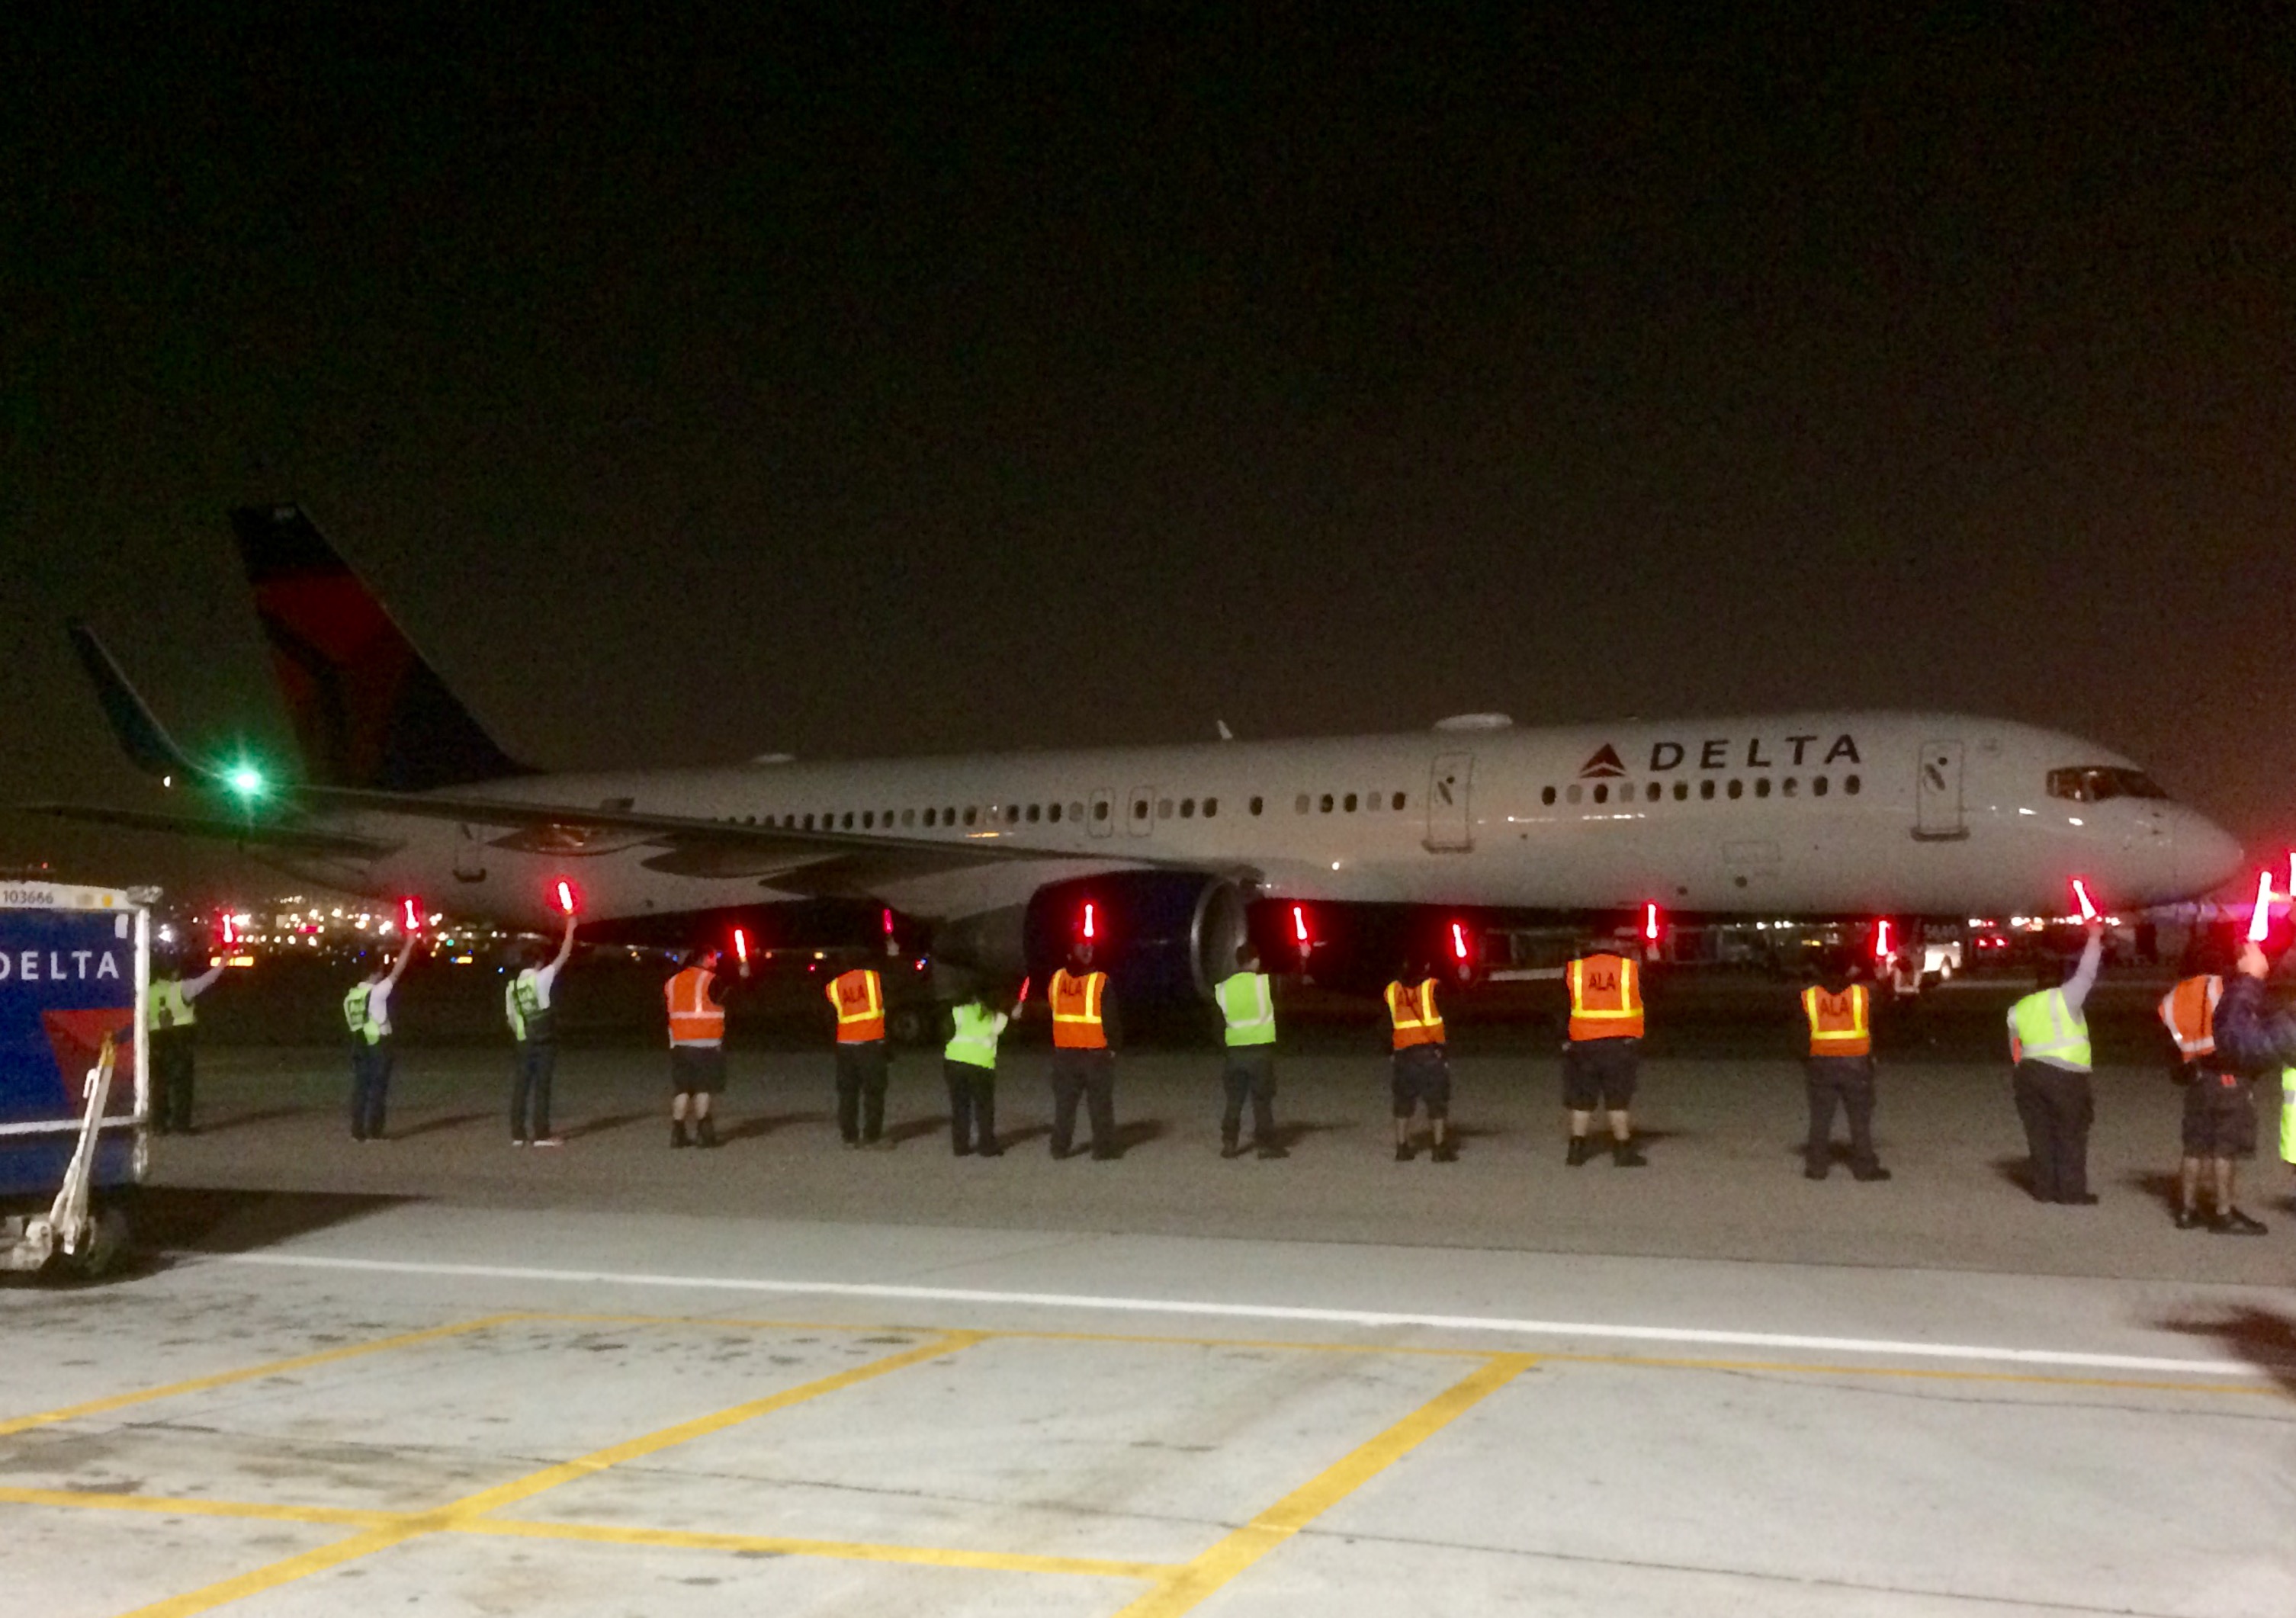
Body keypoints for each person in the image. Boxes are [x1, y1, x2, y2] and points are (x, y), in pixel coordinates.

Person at [2191, 931, 2293, 1234]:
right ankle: (2218, 1211)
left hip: (2209, 1079)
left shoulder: (2193, 993)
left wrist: (2251, 979)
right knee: (2222, 1148)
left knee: (2202, 1146)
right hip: (2225, 1083)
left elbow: (2238, 1039)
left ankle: (2194, 1210)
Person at [2006, 917, 2105, 1203]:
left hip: (2029, 1075)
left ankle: (2044, 1188)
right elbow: (2087, 973)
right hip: (2066, 1076)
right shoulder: (2066, 997)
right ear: (2059, 978)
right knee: (2071, 1133)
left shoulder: (2018, 1009)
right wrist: (2095, 938)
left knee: (2039, 1134)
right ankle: (2071, 1192)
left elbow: (2015, 1050)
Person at [1800, 951, 1890, 1181]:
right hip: (1856, 1064)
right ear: (1849, 968)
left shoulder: (1809, 996)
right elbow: (1884, 1017)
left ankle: (1817, 1167)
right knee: (1860, 1119)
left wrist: (1807, 1059)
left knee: (1820, 1118)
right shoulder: (1862, 995)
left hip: (1821, 1063)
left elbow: (1797, 1034)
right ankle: (1865, 1168)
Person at [1562, 937, 1647, 1167]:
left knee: (1582, 1099)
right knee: (1617, 1099)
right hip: (1619, 1045)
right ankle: (1622, 1151)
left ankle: (1576, 1150)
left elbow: (1564, 1005)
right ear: (1616, 947)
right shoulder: (1629, 969)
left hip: (1582, 1044)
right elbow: (1650, 993)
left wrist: (1565, 1039)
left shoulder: (1575, 969)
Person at [506, 913, 576, 1146]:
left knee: (521, 1086)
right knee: (542, 1087)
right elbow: (564, 955)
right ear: (538, 962)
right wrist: (571, 927)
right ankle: (542, 1134)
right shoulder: (541, 978)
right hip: (544, 1039)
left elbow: (511, 1017)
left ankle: (517, 1134)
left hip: (523, 1040)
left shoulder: (512, 986)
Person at [666, 945, 745, 1148]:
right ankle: (704, 1132)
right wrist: (743, 973)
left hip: (680, 1043)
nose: (716, 961)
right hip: (706, 1043)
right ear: (705, 958)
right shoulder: (710, 981)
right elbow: (727, 996)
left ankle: (677, 1132)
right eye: (713, 957)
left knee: (682, 1088)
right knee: (703, 1087)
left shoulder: (672, 982)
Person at [1047, 942, 1119, 1159]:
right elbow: (1111, 1019)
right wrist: (1114, 1045)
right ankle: (1103, 1150)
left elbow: (1054, 1007)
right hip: (1094, 1054)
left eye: (1089, 947)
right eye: (1083, 947)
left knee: (1065, 1106)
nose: (1089, 950)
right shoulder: (1100, 981)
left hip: (1064, 1054)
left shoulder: (1057, 979)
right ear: (1071, 953)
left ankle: (1059, 1148)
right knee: (1100, 1105)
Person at [1215, 944, 1286, 1159]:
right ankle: (1265, 1146)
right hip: (1260, 1052)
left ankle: (1229, 1143)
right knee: (1261, 1100)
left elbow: (1217, 1025)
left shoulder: (1223, 988)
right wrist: (1303, 959)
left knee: (1234, 1100)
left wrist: (1226, 1047)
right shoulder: (1264, 983)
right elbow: (1292, 982)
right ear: (1255, 960)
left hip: (1235, 1053)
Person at [343, 932, 416, 1141]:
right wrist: (409, 946)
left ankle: (358, 1131)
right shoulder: (375, 993)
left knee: (360, 1088)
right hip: (378, 1044)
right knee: (378, 1088)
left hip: (359, 1044)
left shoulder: (350, 998)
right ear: (373, 974)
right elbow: (397, 972)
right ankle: (375, 1129)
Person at [146, 949, 226, 1135]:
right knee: (182, 1086)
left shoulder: (148, 992)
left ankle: (159, 1125)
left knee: (159, 1084)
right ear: (174, 972)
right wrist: (224, 961)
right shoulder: (182, 988)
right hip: (180, 1041)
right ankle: (180, 1125)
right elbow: (208, 980)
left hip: (157, 1041)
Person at [1384, 961, 1456, 1163]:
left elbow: (1384, 1024)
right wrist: (1446, 1051)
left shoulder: (1391, 991)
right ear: (1424, 968)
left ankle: (1402, 1147)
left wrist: (1389, 1050)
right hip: (1430, 1055)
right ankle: (1439, 1148)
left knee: (1403, 1102)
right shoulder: (1432, 988)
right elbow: (1447, 1017)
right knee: (1437, 1102)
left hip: (1403, 1055)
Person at [942, 983, 1021, 1156]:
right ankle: (986, 1146)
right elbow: (1011, 1038)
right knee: (984, 1108)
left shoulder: (960, 1011)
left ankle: (960, 1146)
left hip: (954, 1063)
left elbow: (946, 1032)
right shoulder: (997, 1017)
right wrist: (1015, 1017)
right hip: (981, 1066)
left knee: (960, 1106)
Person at [826, 960, 891, 1148]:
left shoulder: (834, 986)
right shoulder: (874, 978)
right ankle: (872, 1137)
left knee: (847, 1092)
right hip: (870, 1042)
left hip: (845, 1044)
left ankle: (849, 1137)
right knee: (874, 1091)